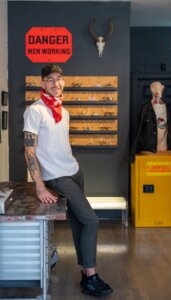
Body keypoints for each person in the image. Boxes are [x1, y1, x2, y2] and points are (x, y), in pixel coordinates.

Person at [23, 64, 113, 297]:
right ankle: (92, 277)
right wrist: (40, 185)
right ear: (42, 83)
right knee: (92, 221)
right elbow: (29, 150)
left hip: (74, 172)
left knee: (79, 223)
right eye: (50, 79)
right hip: (57, 177)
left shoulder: (64, 111)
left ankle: (85, 273)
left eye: (59, 79)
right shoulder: (35, 110)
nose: (56, 83)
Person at [130, 81, 171, 161]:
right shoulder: (146, 108)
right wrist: (132, 153)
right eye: (159, 87)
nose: (162, 89)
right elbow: (138, 130)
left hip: (164, 149)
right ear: (153, 90)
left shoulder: (166, 107)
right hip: (149, 151)